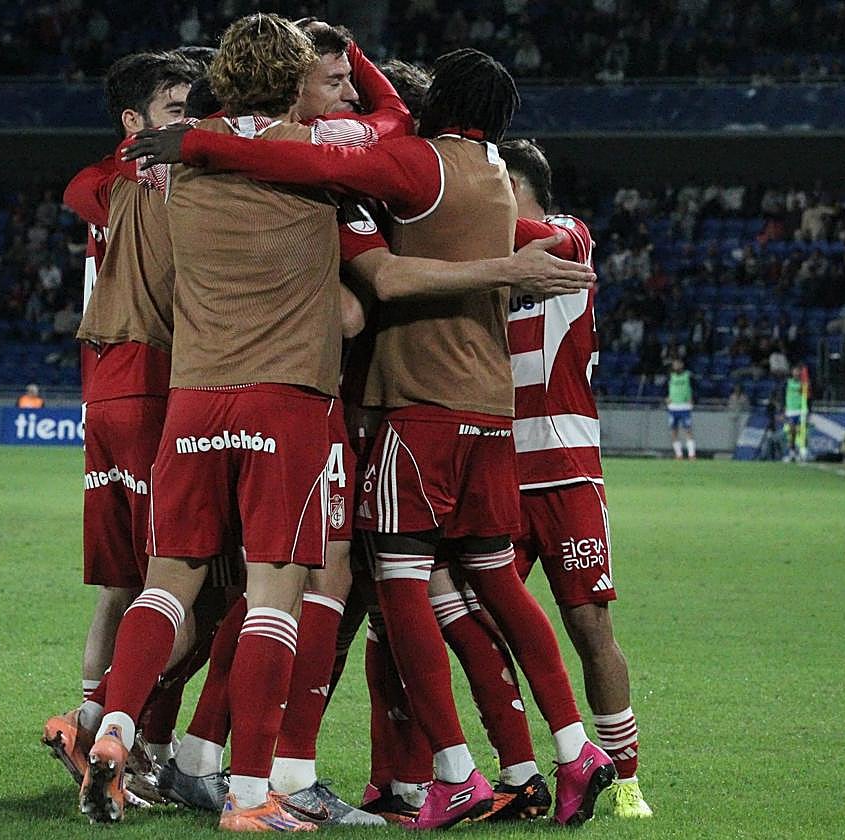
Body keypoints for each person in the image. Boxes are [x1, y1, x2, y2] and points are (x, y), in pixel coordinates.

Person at [128, 45, 616, 829]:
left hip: (381, 411)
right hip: (474, 415)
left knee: (309, 593)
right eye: (337, 81)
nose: (351, 99)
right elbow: (534, 235)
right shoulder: (492, 180)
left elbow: (370, 285)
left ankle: (285, 765)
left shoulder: (389, 177)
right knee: (448, 590)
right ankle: (540, 758)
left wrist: (194, 143)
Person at [78, 17, 391, 830]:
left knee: (169, 581)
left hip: (193, 396)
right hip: (282, 398)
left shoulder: (169, 164)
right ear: (294, 80)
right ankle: (251, 796)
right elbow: (391, 128)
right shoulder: (322, 159)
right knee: (273, 597)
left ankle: (115, 731)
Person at [42, 48, 201, 809]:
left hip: (105, 393)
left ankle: (87, 716)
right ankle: (115, 731)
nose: (192, 127)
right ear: (136, 122)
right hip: (150, 388)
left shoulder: (103, 182)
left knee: (122, 581)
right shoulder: (154, 185)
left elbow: (79, 188)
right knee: (186, 584)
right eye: (178, 112)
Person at [498, 138, 653, 819]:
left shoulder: (569, 238)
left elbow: (549, 240)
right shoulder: (488, 267)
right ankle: (522, 770)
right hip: (495, 470)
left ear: (517, 186)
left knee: (589, 624)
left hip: (564, 473)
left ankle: (625, 779)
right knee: (478, 621)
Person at [666, 358, 696, 459]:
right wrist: (666, 397)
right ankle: (679, 455)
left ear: (682, 365)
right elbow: (665, 388)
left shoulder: (688, 375)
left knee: (688, 430)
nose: (676, 366)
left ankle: (692, 455)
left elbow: (696, 387)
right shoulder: (671, 376)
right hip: (673, 407)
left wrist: (694, 398)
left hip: (685, 406)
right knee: (674, 431)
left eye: (677, 364)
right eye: (674, 364)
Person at [783, 362, 810, 463]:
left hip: (801, 410)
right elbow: (782, 394)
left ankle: (803, 451)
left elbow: (808, 397)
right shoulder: (787, 382)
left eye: (798, 371)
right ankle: (792, 452)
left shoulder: (804, 383)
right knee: (792, 431)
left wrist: (807, 409)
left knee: (803, 432)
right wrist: (783, 407)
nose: (796, 373)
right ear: (792, 372)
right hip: (791, 410)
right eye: (795, 371)